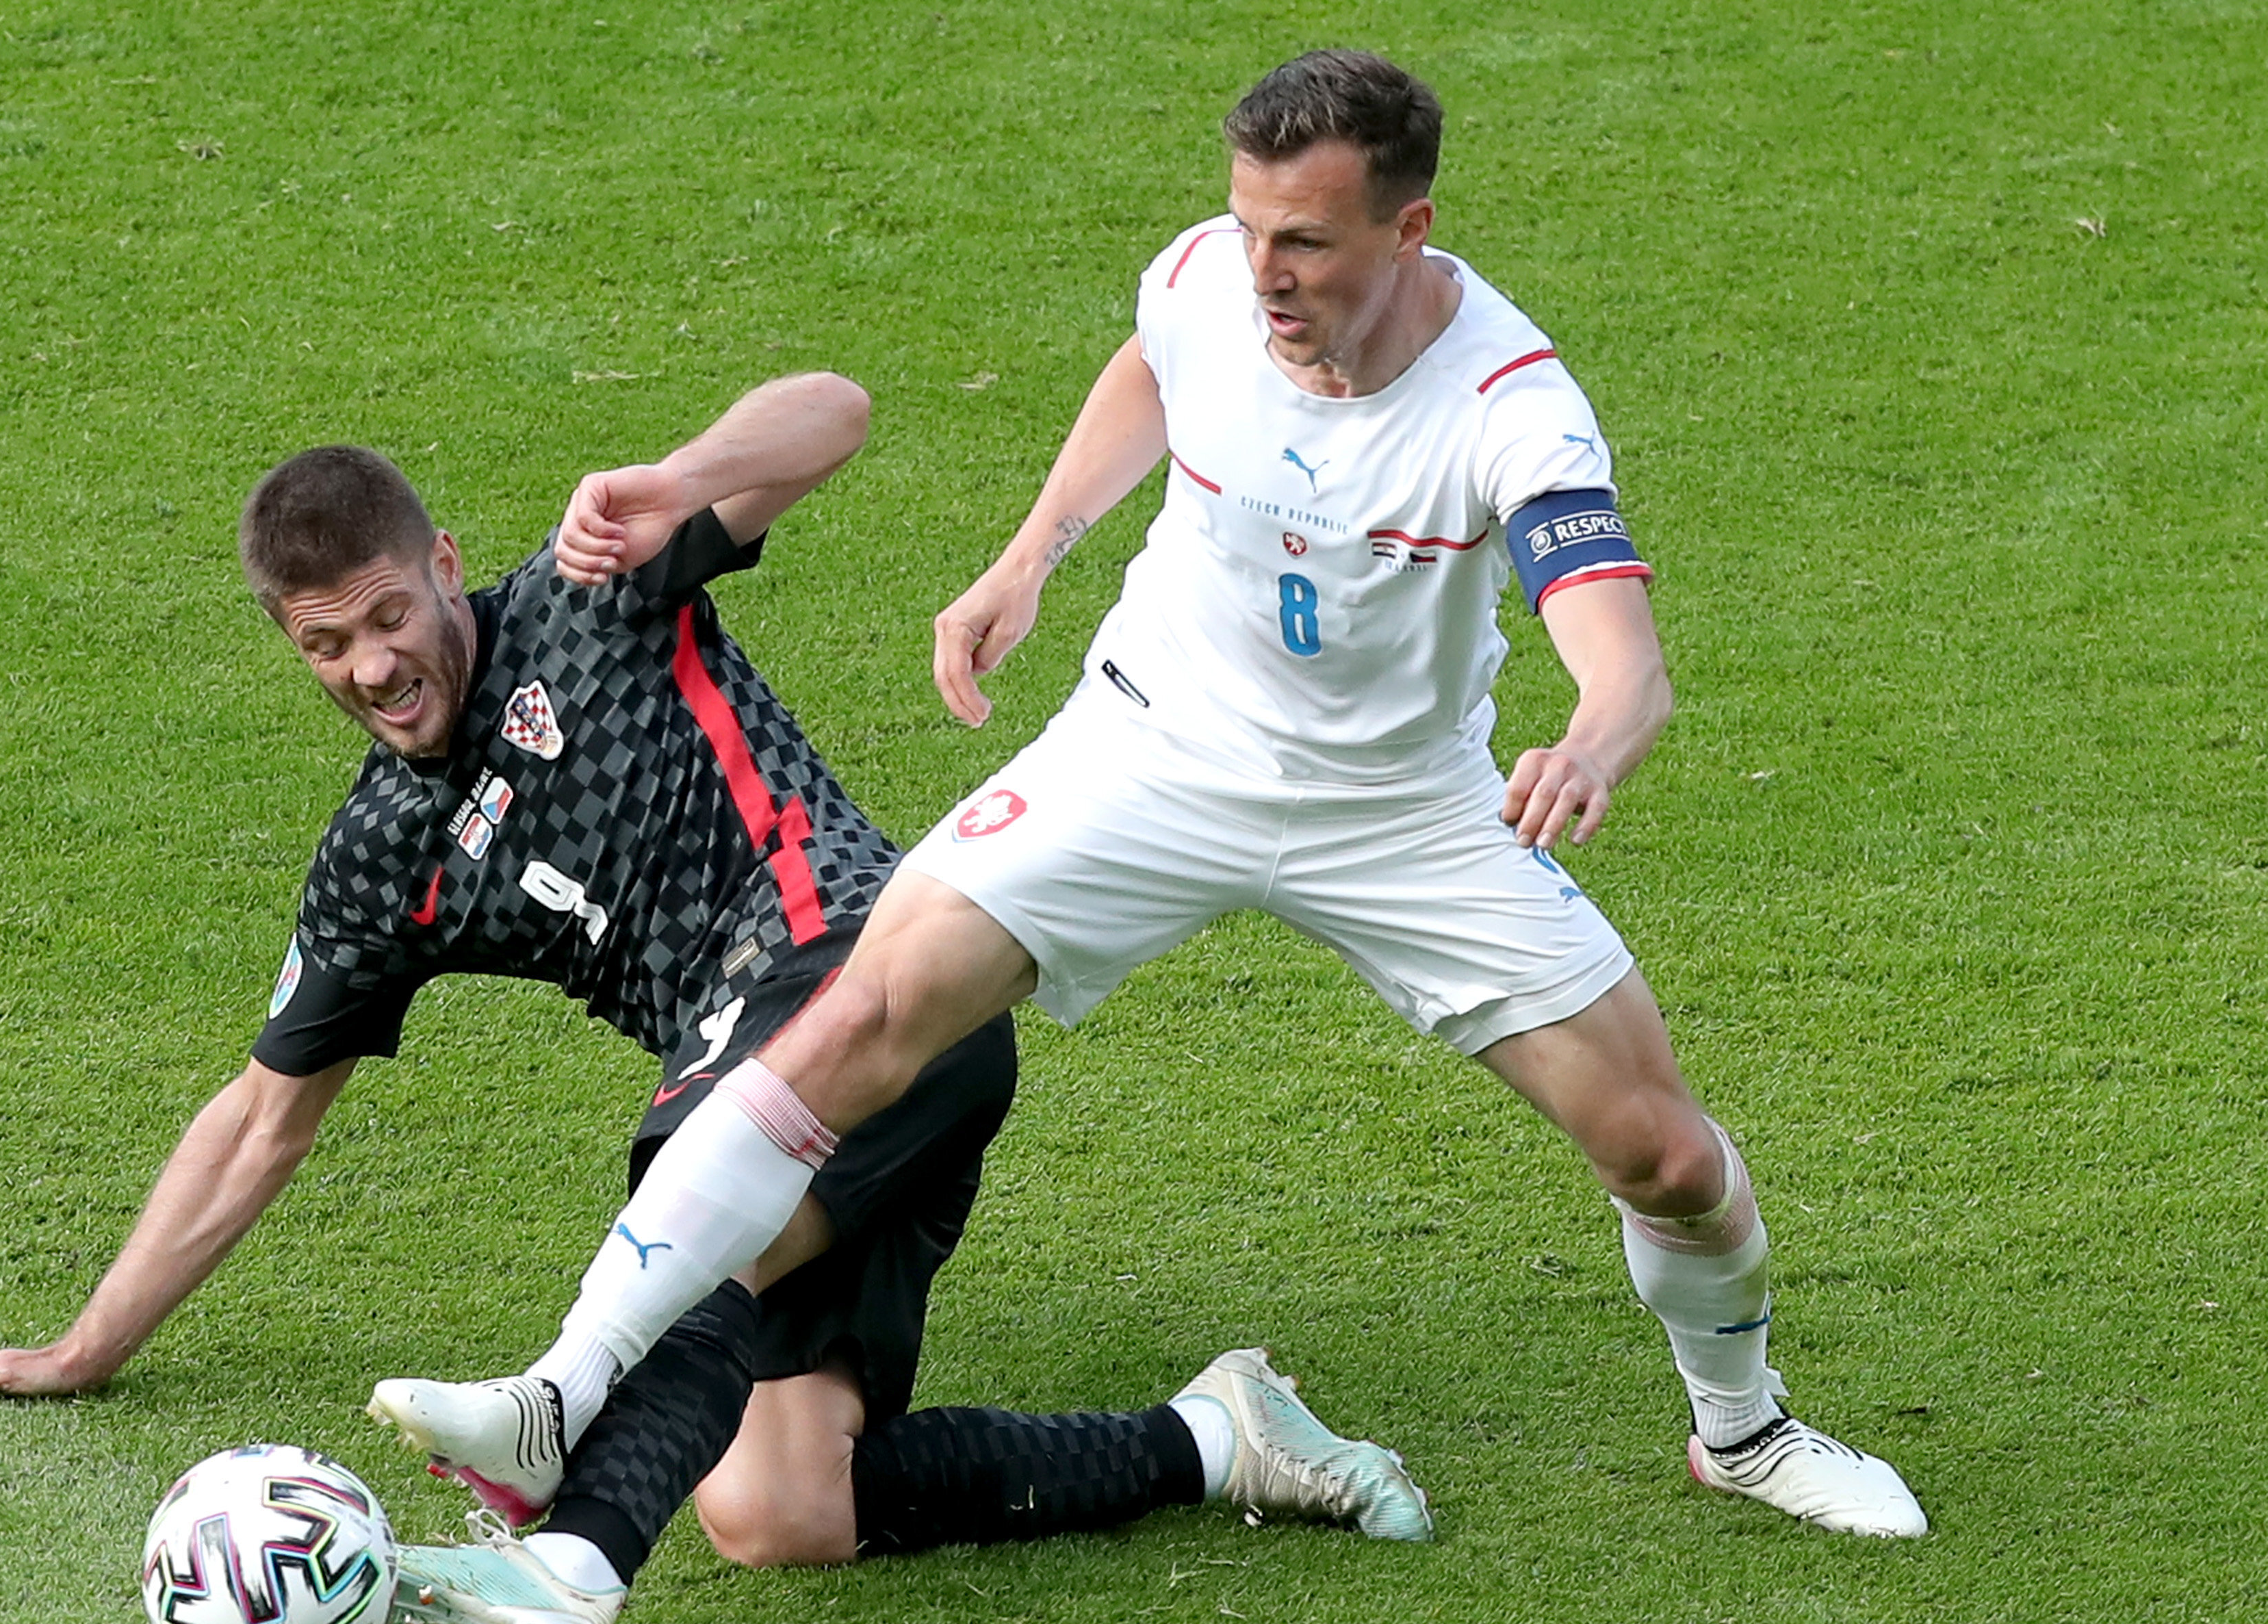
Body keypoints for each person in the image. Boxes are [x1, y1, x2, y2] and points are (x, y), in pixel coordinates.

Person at [394, 53, 1929, 1541]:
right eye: (1250, 224)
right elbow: (1153, 364)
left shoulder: (1509, 406)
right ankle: (557, 1388)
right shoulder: (1209, 276)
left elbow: (1623, 658)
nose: (1263, 269)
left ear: (1409, 230)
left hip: (1399, 810)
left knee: (1657, 1150)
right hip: (1154, 741)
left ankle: (1743, 1432)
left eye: (1306, 241)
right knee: (862, 1014)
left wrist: (1587, 742)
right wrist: (1030, 553)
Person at [0, 375, 1432, 1624]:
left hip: (874, 975)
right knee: (778, 1509)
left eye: (384, 615)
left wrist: (679, 482)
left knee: (697, 1201)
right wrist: (84, 1345)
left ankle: (567, 1547)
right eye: (323, 644)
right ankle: (1216, 1436)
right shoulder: (384, 859)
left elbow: (835, 416)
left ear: (440, 566)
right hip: (788, 1108)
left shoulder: (589, 592)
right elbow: (261, 1116)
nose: (371, 665)